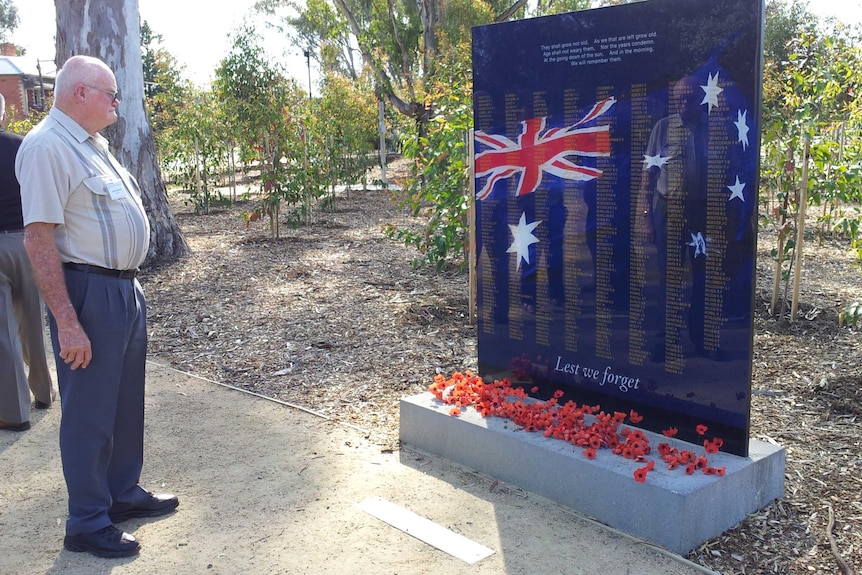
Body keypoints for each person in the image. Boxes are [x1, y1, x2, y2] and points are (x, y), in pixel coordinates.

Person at [16, 55, 178, 559]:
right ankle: (86, 521)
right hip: (86, 293)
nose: (117, 102)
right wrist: (67, 321)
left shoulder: (93, 145)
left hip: (123, 290)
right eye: (110, 93)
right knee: (88, 411)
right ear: (79, 94)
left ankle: (121, 493)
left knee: (125, 401)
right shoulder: (47, 147)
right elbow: (39, 241)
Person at [640, 75, 710, 363]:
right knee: (669, 278)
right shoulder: (664, 128)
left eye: (688, 98)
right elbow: (649, 174)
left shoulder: (710, 129)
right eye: (678, 98)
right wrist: (645, 215)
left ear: (699, 99)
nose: (683, 103)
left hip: (701, 213)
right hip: (669, 210)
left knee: (702, 277)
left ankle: (701, 338)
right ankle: (665, 340)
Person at [0, 93, 55, 432]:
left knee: (3, 332)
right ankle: (45, 392)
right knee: (33, 320)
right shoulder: (23, 147)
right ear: (4, 114)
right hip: (27, 240)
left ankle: (14, 411)